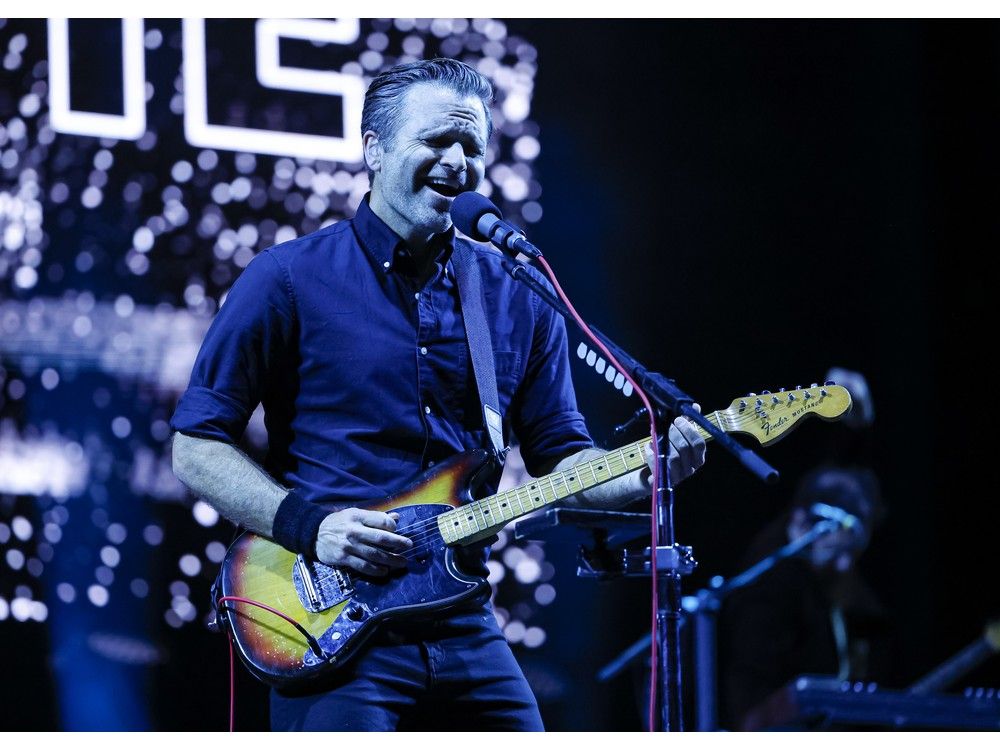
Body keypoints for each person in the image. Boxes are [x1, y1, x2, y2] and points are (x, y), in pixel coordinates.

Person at [170, 58, 707, 731]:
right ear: (373, 148)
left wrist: (646, 475)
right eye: (436, 142)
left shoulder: (517, 293)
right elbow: (195, 447)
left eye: (472, 147)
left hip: (463, 621)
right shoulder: (286, 280)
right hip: (331, 625)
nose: (457, 162)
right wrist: (312, 526)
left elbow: (562, 463)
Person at [719, 465, 889, 730]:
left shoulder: (820, 582)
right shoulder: (769, 588)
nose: (845, 566)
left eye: (852, 553)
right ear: (802, 522)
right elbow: (751, 711)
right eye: (837, 552)